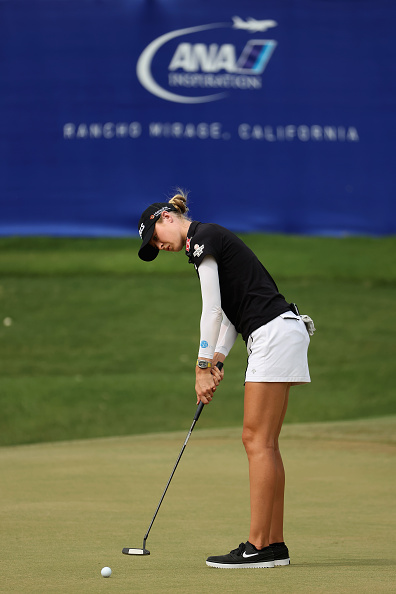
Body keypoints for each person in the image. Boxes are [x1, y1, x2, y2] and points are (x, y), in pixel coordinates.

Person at [137, 191, 314, 569]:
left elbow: (212, 310)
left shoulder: (202, 238)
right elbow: (232, 314)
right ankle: (274, 543)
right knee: (266, 443)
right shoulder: (204, 241)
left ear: (168, 216)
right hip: (277, 332)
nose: (158, 245)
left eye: (155, 235)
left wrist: (201, 368)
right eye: (152, 244)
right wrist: (218, 357)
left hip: (272, 335)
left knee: (256, 440)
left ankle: (257, 546)